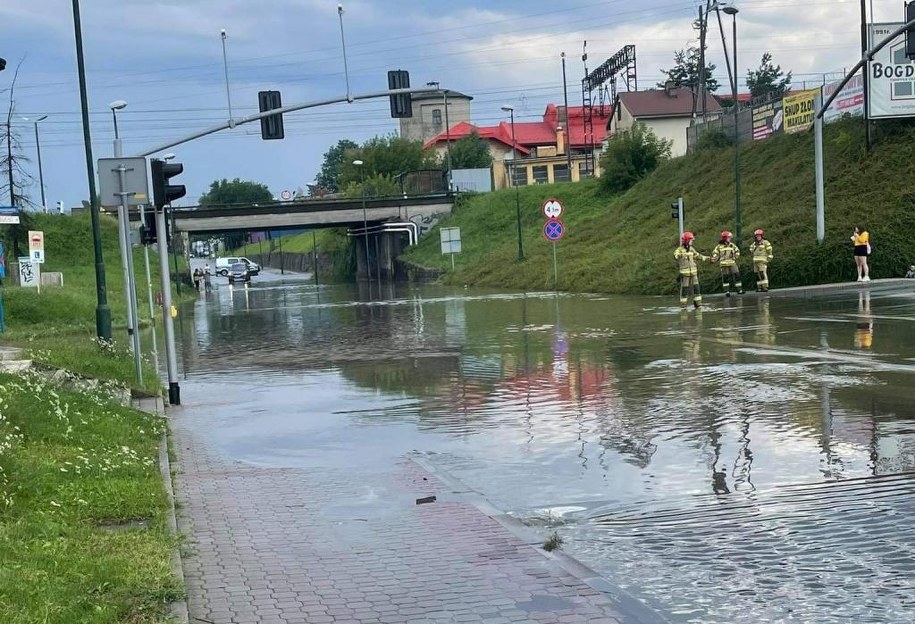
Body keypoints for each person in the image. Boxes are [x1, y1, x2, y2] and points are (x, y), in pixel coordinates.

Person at [674, 231, 709, 308]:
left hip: (693, 273)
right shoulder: (679, 250)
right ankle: (683, 306)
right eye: (691, 240)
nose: (692, 242)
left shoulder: (691, 249)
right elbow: (676, 255)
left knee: (697, 289)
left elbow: (697, 255)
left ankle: (698, 304)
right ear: (686, 240)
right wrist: (679, 255)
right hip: (685, 274)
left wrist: (706, 258)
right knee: (684, 290)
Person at [711, 230, 743, 296]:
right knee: (725, 278)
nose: (730, 239)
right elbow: (715, 253)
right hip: (723, 264)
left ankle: (739, 290)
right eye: (729, 237)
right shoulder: (719, 246)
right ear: (725, 238)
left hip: (732, 263)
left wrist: (735, 257)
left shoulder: (732, 245)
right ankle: (727, 291)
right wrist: (717, 258)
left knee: (737, 275)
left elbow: (737, 251)